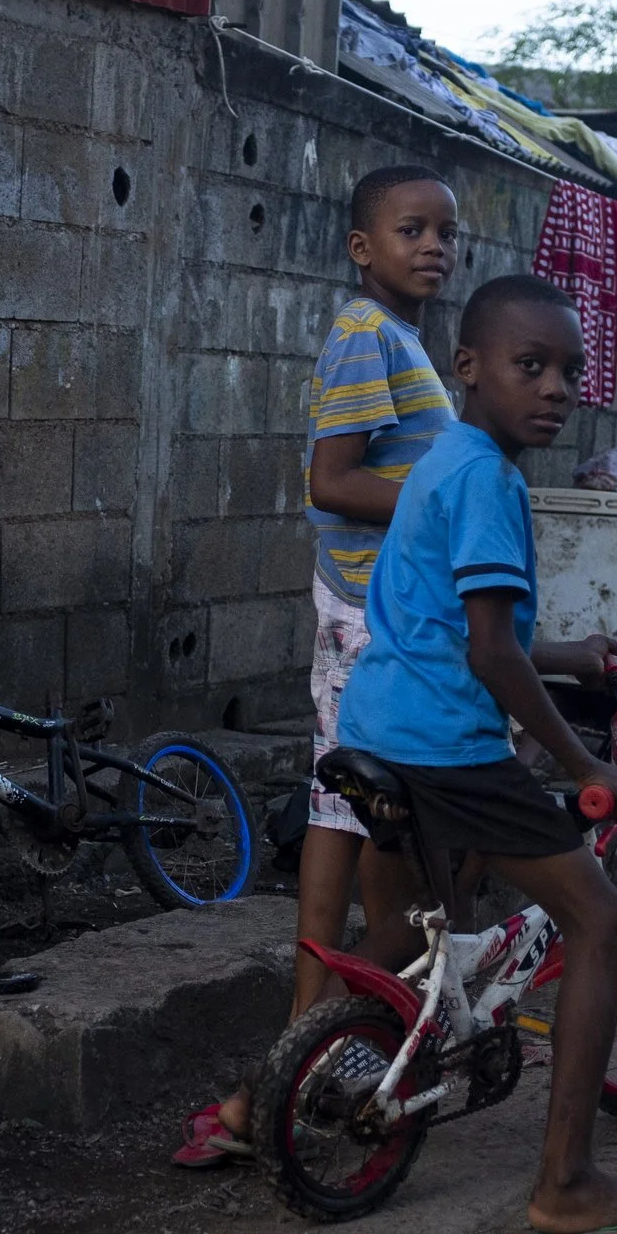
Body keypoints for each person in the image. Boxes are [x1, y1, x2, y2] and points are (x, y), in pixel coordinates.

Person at [340, 272, 617, 1234]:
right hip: (445, 747)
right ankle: (566, 1183)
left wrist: (571, 654)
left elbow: (460, 626)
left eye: (569, 370)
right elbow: (491, 653)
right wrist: (589, 765)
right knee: (602, 917)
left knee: (409, 927)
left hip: (375, 726)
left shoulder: (444, 462)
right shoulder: (491, 481)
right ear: (467, 367)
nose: (555, 388)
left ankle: (265, 1094)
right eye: (528, 365)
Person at [173, 165, 458, 1166]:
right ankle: (329, 1031)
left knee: (339, 803)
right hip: (371, 609)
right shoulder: (365, 334)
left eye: (445, 233)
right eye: (411, 229)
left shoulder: (397, 339)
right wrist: (449, 496)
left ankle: (315, 1024)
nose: (434, 246)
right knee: (373, 810)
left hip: (375, 603)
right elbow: (331, 481)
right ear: (361, 246)